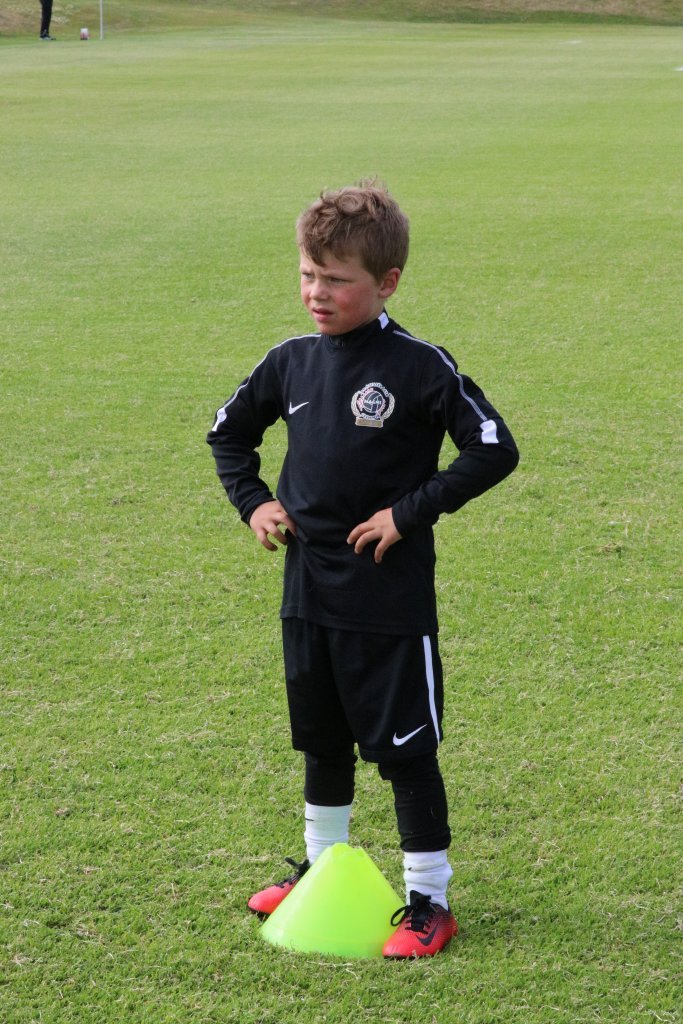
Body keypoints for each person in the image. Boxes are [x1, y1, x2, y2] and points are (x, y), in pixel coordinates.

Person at [207, 181, 519, 957]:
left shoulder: (417, 366)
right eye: (307, 274)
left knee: (405, 753)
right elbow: (227, 435)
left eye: (336, 280)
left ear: (386, 282)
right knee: (321, 742)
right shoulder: (289, 361)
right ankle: (319, 869)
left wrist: (408, 513)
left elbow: (492, 447)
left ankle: (428, 901)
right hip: (307, 593)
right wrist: (254, 502)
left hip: (387, 604)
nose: (317, 292)